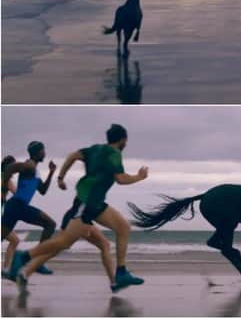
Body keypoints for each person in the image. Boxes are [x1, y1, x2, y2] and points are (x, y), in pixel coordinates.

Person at [9, 124, 149, 294]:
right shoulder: (114, 154)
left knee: (121, 229)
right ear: (122, 140)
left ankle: (119, 275)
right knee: (62, 243)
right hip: (87, 202)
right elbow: (121, 178)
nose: (126, 143)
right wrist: (139, 177)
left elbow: (73, 156)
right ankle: (24, 257)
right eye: (126, 141)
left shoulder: (95, 149)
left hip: (95, 203)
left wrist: (61, 176)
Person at [2, 142, 57, 275]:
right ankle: (38, 261)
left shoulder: (35, 171)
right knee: (50, 224)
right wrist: (4, 188)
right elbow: (9, 167)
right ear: (37, 152)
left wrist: (51, 172)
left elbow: (43, 190)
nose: (45, 153)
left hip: (15, 207)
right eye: (43, 150)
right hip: (18, 205)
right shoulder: (30, 165)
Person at [1, 156, 20, 278]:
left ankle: (6, 269)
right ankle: (6, 269)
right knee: (15, 240)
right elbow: (18, 194)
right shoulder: (6, 179)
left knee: (14, 240)